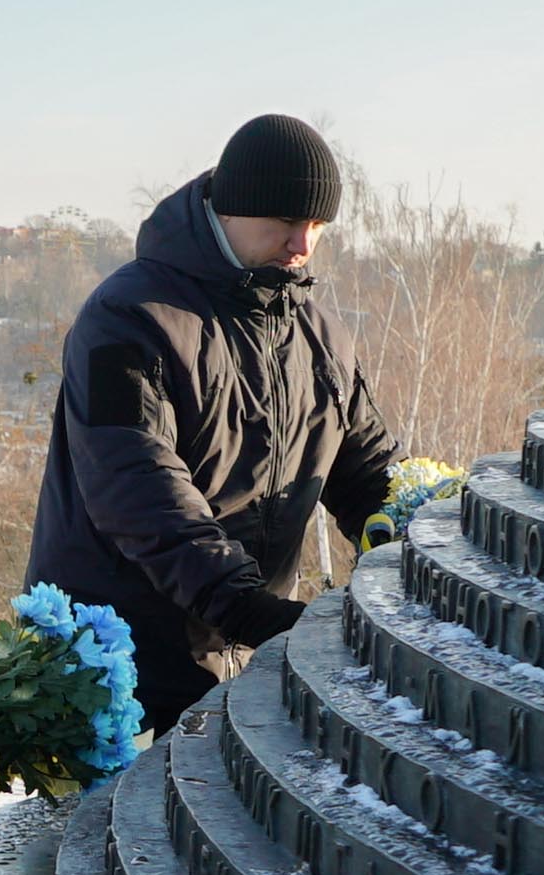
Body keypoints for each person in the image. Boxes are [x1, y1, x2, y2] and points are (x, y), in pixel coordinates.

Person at [25, 112, 400, 734]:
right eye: (284, 222)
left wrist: (415, 551)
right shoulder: (127, 318)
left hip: (241, 661)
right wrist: (250, 610)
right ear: (230, 210)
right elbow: (139, 493)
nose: (302, 245)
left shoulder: (319, 334)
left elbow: (368, 472)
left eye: (316, 226)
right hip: (112, 675)